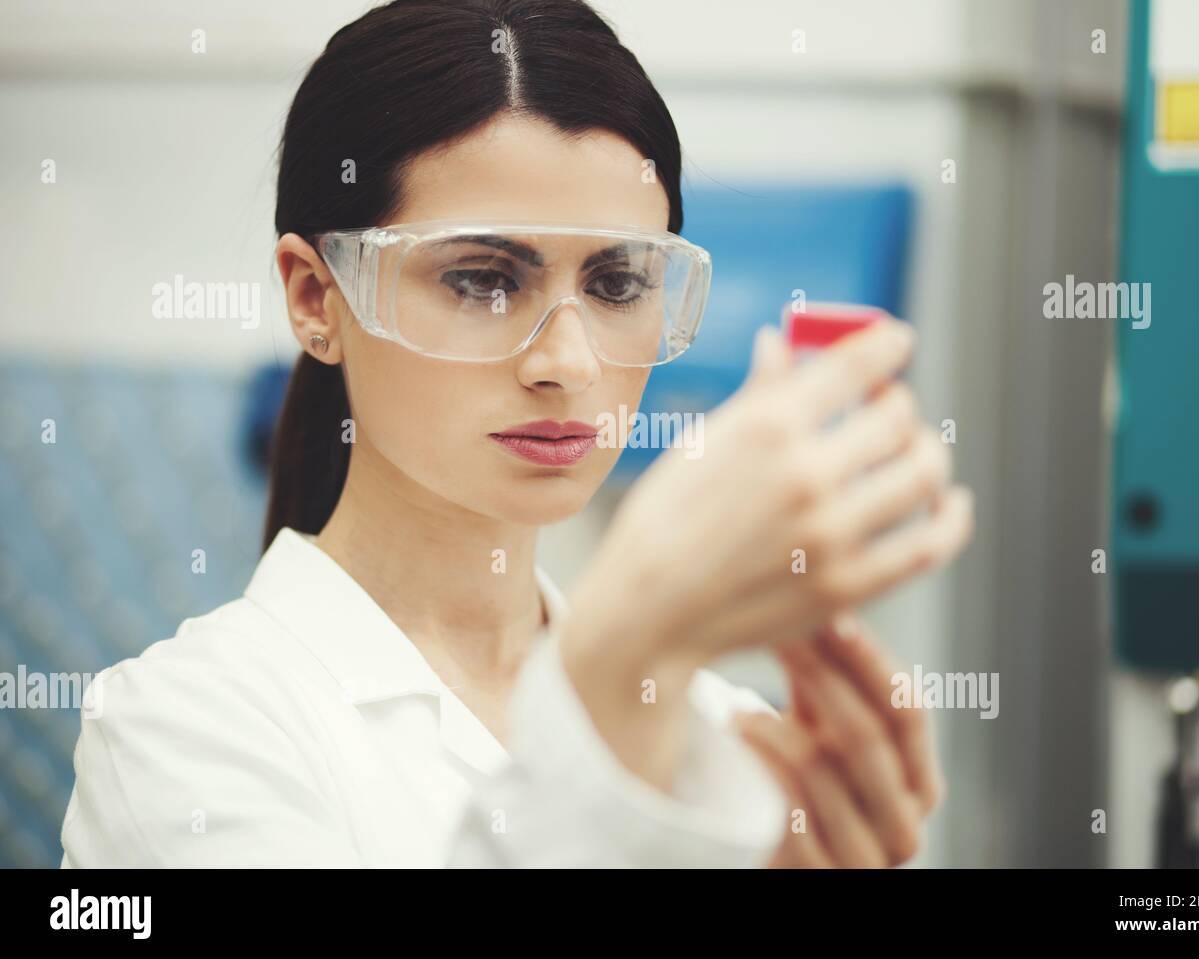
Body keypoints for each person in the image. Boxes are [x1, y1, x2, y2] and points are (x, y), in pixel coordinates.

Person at [60, 0, 972, 868]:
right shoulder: (178, 732)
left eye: (617, 283)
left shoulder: (717, 739)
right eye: (483, 280)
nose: (567, 362)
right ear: (315, 298)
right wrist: (622, 664)